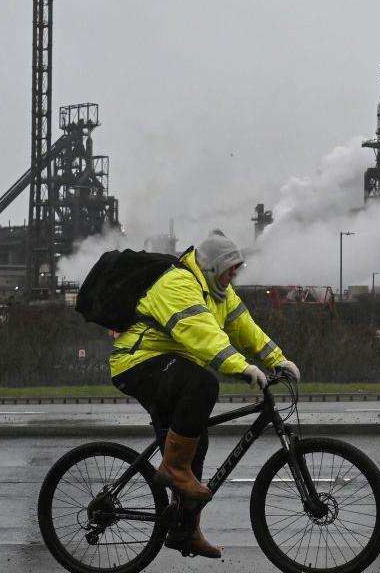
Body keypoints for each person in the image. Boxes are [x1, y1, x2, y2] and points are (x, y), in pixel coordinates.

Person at [110, 230, 301, 559]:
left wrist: (276, 359)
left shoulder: (219, 292)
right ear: (213, 267)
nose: (234, 275)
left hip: (167, 366)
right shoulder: (178, 283)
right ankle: (172, 468)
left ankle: (186, 530)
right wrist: (239, 366)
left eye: (236, 270)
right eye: (230, 269)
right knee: (203, 384)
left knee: (197, 438)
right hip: (138, 363)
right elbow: (202, 333)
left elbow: (244, 327)